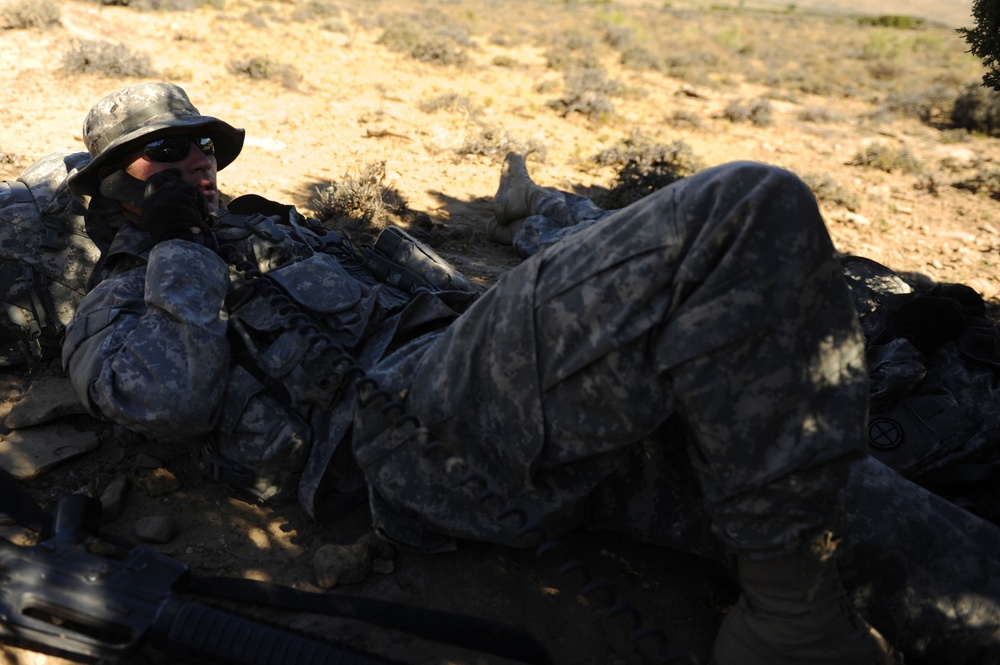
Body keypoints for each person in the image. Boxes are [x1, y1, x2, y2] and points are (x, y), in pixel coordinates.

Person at [60, 81, 1000, 665]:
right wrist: (177, 252)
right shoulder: (111, 307)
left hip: (505, 396)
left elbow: (439, 293)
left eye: (204, 148)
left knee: (862, 506)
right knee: (748, 202)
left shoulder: (278, 225)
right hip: (406, 441)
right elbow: (173, 401)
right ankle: (788, 623)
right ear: (111, 182)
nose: (197, 164)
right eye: (165, 152)